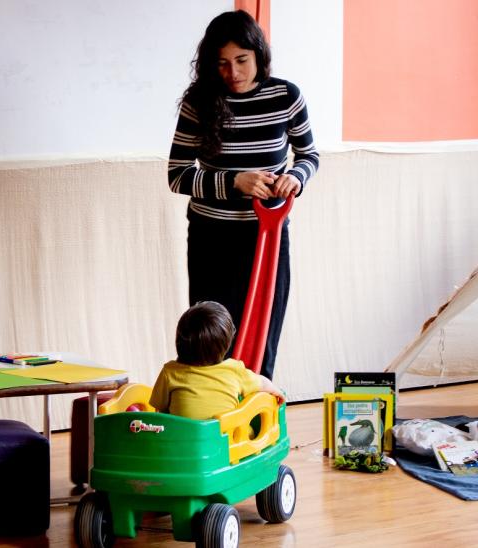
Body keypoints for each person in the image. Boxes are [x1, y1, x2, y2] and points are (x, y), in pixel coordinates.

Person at [167, 10, 319, 380]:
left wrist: (294, 179)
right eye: (221, 63)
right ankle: (212, 420)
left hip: (266, 237)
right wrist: (236, 182)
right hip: (210, 237)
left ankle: (254, 421)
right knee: (212, 337)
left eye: (241, 60)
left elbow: (309, 156)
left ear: (259, 55)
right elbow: (177, 176)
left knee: (264, 330)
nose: (232, 73)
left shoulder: (286, 96)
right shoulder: (198, 103)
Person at [150, 301, 284, 420]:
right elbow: (262, 383)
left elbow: (159, 410)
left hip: (185, 443)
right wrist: (277, 391)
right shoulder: (234, 370)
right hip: (228, 441)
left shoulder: (170, 372)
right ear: (226, 344)